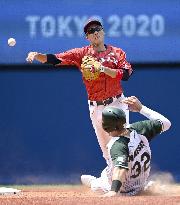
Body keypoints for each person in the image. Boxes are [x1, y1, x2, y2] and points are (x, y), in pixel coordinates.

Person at [26, 18, 133, 178]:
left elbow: (126, 74)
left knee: (123, 144)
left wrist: (103, 68)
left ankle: (133, 181)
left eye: (97, 28)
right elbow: (55, 59)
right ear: (87, 37)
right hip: (97, 107)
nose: (95, 32)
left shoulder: (117, 53)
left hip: (117, 102)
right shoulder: (81, 54)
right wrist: (37, 55)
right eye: (90, 31)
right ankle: (112, 181)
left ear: (103, 31)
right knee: (107, 151)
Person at [82, 96, 171, 197]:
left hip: (123, 192)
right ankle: (144, 188)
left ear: (106, 127)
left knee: (97, 185)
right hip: (139, 185)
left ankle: (96, 182)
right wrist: (141, 108)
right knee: (121, 166)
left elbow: (120, 168)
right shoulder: (139, 129)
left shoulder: (116, 145)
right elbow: (166, 123)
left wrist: (114, 191)